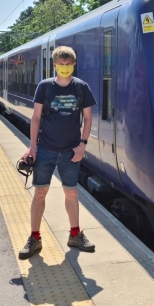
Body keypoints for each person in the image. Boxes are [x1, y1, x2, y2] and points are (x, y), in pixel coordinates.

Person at [18, 46, 97, 259]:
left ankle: (75, 234)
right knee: (40, 192)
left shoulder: (81, 88)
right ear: (54, 65)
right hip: (45, 149)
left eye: (68, 64)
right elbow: (36, 117)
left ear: (74, 64)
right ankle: (34, 238)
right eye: (60, 65)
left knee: (71, 193)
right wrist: (32, 146)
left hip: (71, 151)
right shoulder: (44, 87)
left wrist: (83, 144)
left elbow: (88, 118)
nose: (64, 68)